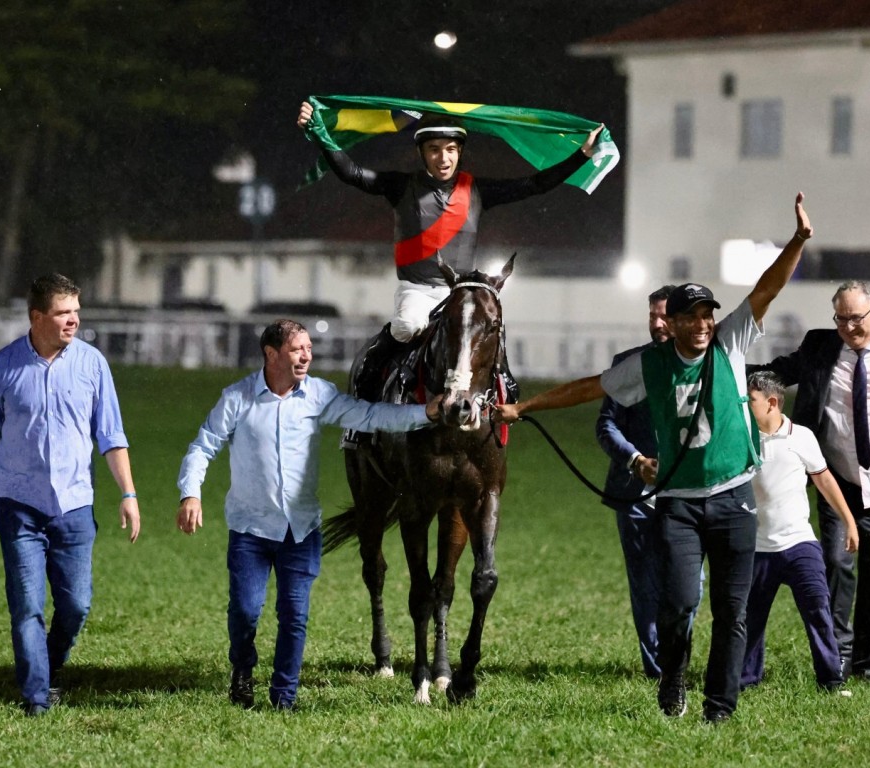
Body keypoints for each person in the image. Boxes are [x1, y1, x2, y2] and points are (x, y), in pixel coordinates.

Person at [497, 193, 813, 723]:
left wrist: (799, 241)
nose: (704, 323)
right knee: (679, 603)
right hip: (680, 505)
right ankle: (673, 679)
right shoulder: (650, 364)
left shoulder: (729, 343)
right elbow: (589, 387)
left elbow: (767, 288)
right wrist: (526, 405)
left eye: (709, 313)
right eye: (694, 316)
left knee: (731, 612)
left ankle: (720, 708)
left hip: (734, 498)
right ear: (675, 320)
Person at [176, 319, 442, 711]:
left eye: (309, 348)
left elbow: (369, 417)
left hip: (300, 531)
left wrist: (427, 413)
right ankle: (242, 671)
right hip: (250, 530)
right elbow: (203, 447)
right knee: (246, 612)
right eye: (297, 349)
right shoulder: (237, 398)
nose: (307, 355)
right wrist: (190, 494)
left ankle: (284, 695)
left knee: (294, 617)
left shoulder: (319, 395)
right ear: (271, 354)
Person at [297, 100, 603, 398]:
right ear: (422, 153)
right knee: (409, 325)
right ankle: (369, 371)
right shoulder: (401, 185)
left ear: (459, 153)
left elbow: (534, 185)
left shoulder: (477, 190)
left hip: (458, 292)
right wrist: (320, 133)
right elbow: (353, 174)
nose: (443, 158)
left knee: (487, 323)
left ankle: (504, 381)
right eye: (434, 150)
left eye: (451, 150)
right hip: (415, 290)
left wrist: (582, 155)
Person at [0, 274, 141, 717]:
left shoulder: (93, 365)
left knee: (76, 605)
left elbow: (111, 436)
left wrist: (128, 493)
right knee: (27, 606)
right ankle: (36, 697)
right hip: (18, 506)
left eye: (76, 311)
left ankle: (49, 667)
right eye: (63, 312)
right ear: (37, 317)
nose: (74, 320)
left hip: (74, 505)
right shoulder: (3, 366)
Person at [755, 280, 870, 682]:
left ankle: (868, 666)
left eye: (856, 318)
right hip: (837, 480)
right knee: (836, 564)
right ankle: (839, 655)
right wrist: (720, 365)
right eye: (841, 319)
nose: (848, 327)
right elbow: (777, 372)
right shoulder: (821, 347)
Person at [742, 371, 858, 693]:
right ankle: (746, 680)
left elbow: (824, 480)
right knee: (749, 620)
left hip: (799, 544)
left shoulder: (801, 437)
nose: (743, 405)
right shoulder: (741, 436)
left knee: (818, 610)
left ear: (772, 403)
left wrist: (848, 521)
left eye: (749, 400)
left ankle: (831, 680)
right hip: (757, 548)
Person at [595, 284, 678, 679]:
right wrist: (635, 460)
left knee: (686, 586)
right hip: (637, 496)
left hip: (688, 496)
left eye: (664, 316)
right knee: (645, 586)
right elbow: (605, 424)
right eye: (652, 316)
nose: (657, 324)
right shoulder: (626, 364)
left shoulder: (707, 364)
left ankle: (677, 656)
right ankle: (658, 670)